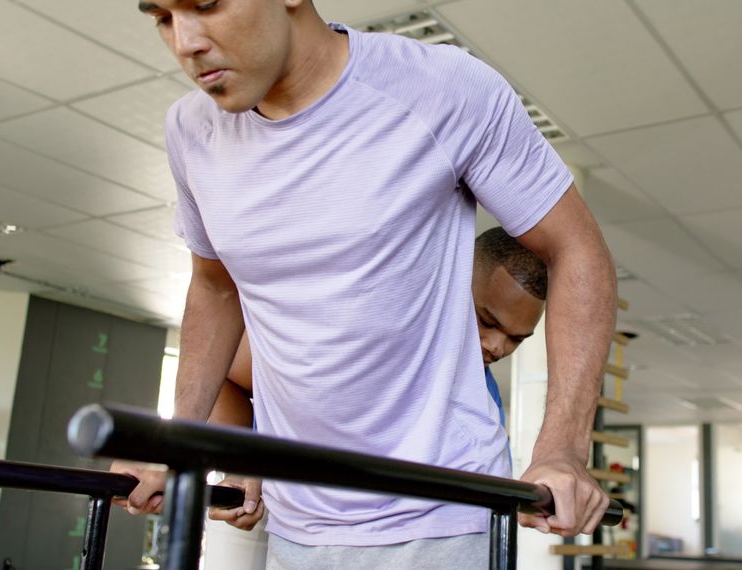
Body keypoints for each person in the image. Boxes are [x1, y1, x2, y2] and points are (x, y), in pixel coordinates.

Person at [121, 0, 617, 566]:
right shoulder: (190, 130)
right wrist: (175, 442)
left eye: (205, 4)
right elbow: (214, 287)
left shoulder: (442, 87)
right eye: (160, 16)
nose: (185, 41)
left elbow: (578, 247)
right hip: (296, 521)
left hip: (441, 516)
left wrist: (563, 450)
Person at [191, 227, 548, 568]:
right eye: (487, 320)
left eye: (517, 338)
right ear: (453, 281)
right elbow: (223, 374)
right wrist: (243, 466)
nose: (499, 347)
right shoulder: (375, 327)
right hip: (268, 504)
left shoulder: (484, 401)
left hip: (372, 539)